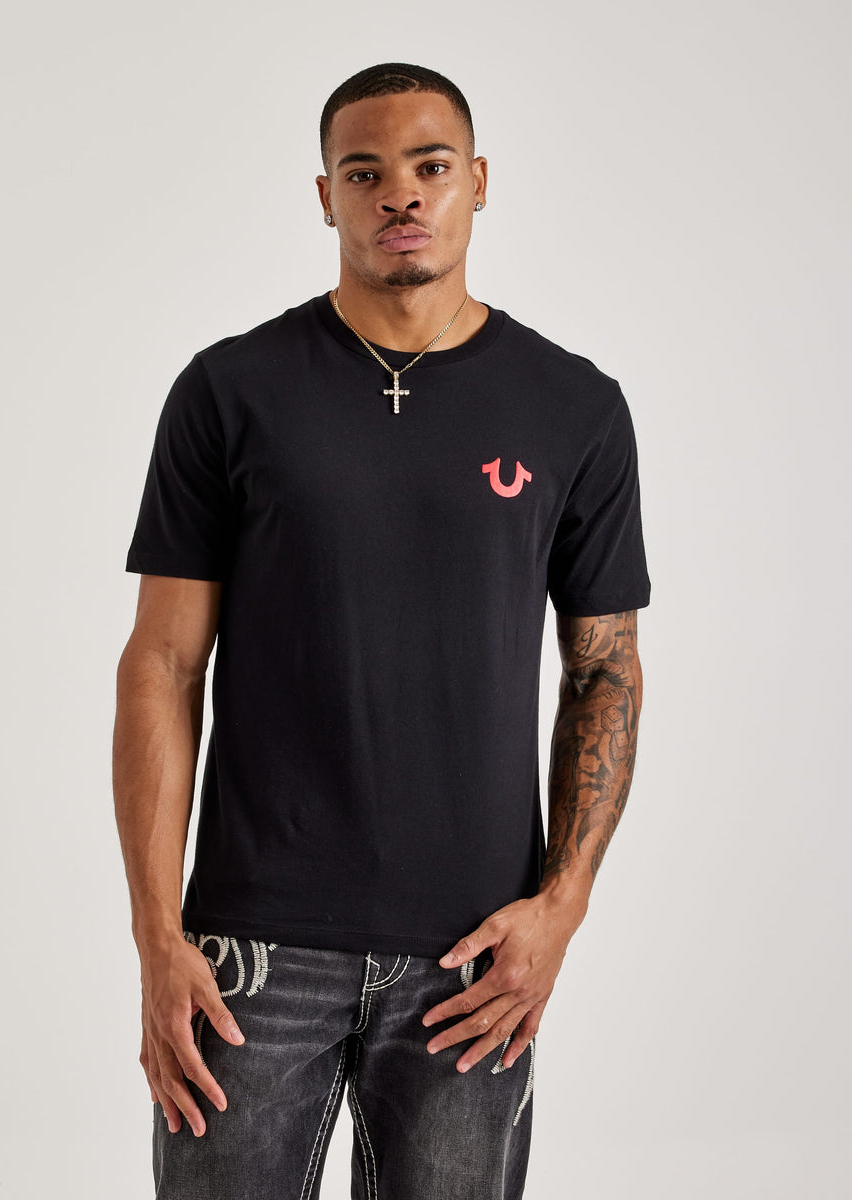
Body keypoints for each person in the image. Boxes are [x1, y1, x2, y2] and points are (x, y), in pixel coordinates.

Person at [113, 62, 650, 1200]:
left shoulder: (574, 406)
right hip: (249, 951)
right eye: (364, 173)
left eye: (429, 166)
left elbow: (604, 670)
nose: (399, 194)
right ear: (326, 197)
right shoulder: (230, 391)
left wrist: (561, 909)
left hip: (475, 954)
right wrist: (158, 935)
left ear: (478, 182)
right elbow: (161, 664)